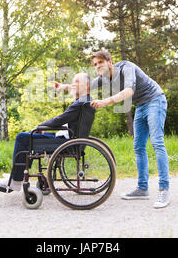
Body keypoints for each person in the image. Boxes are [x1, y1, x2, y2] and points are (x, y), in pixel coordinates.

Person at [54, 51, 170, 208]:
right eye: (95, 64)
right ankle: (142, 189)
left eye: (100, 62)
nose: (97, 66)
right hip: (141, 106)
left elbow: (129, 91)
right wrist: (64, 87)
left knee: (156, 142)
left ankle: (164, 189)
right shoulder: (104, 79)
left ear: (110, 62)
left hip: (155, 100)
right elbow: (86, 85)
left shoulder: (126, 68)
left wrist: (106, 101)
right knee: (138, 147)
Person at [0, 73, 95, 192]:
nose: (73, 84)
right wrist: (63, 87)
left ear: (86, 86)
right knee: (30, 137)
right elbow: (63, 118)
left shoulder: (80, 103)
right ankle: (17, 175)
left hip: (66, 142)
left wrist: (41, 126)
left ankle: (16, 180)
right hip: (69, 139)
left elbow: (60, 119)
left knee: (22, 137)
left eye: (77, 82)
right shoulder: (85, 101)